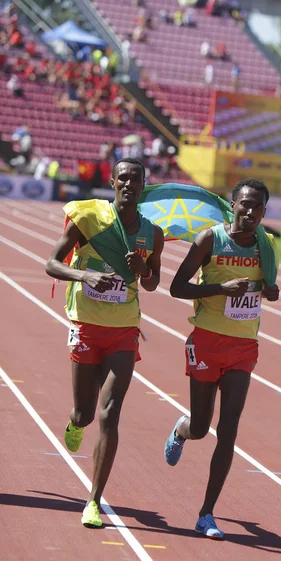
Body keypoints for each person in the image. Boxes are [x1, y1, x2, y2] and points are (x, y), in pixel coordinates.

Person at [45, 158, 164, 528]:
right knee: (84, 413)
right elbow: (51, 263)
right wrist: (84, 274)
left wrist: (143, 269)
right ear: (113, 182)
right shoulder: (89, 218)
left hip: (124, 330)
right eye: (123, 178)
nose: (129, 184)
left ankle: (94, 500)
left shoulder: (152, 233)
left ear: (143, 186)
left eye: (136, 179)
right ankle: (75, 422)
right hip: (85, 325)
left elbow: (154, 282)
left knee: (109, 413)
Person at [164, 178, 279, 539]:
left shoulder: (267, 245)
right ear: (233, 205)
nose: (250, 211)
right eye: (244, 204)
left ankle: (206, 514)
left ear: (263, 211)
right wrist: (220, 288)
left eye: (257, 207)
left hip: (243, 347)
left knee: (228, 431)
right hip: (207, 342)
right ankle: (182, 430)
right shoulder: (210, 240)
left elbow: (269, 288)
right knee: (202, 427)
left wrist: (270, 290)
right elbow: (176, 287)